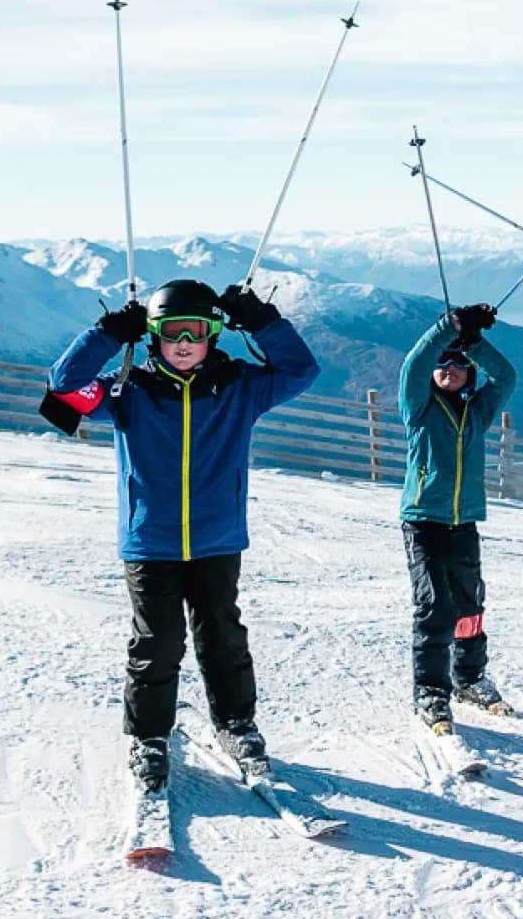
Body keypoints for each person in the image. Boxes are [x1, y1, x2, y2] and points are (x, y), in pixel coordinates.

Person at [44, 277, 320, 789]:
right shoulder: (128, 392)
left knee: (223, 637)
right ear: (154, 336)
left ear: (213, 334)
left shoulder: (240, 388)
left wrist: (262, 322)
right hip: (151, 541)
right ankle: (149, 737)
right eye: (173, 332)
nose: (185, 342)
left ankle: (236, 724)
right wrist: (106, 334)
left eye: (195, 330)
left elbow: (301, 370)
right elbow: (64, 386)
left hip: (217, 539)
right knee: (158, 642)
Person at [397, 303, 517, 732]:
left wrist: (473, 343)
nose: (449, 368)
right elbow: (414, 364)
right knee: (434, 606)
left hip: (463, 520)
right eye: (443, 363)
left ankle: (469, 679)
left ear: (470, 372)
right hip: (424, 521)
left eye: (459, 363)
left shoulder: (477, 412)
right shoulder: (419, 409)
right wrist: (446, 329)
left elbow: (506, 376)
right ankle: (430, 692)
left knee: (469, 604)